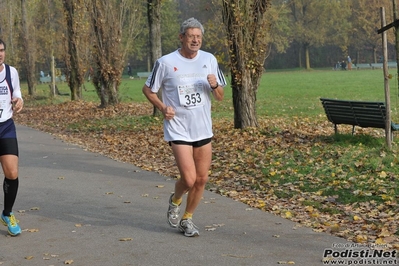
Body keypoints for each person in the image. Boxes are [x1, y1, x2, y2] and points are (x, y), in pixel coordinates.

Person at [142, 17, 226, 237]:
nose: (195, 40)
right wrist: (162, 107)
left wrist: (214, 84)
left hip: (202, 128)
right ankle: (176, 200)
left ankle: (187, 219)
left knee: (202, 179)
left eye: (199, 37)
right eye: (191, 36)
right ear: (181, 37)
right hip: (178, 127)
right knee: (188, 179)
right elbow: (148, 90)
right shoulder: (166, 62)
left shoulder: (209, 59)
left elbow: (219, 97)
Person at [0, 39, 23, 236]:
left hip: (6, 126)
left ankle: (7, 214)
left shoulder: (11, 72)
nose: (0, 54)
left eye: (1, 50)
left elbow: (17, 93)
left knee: (12, 173)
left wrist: (18, 101)